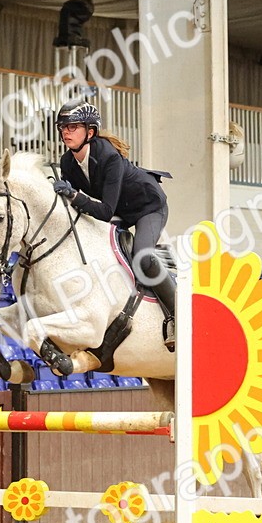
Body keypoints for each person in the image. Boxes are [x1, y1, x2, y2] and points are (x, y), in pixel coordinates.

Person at [51, 101, 176, 350]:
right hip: (120, 210)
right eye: (63, 127)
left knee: (142, 256)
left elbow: (105, 211)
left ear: (90, 132)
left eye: (73, 127)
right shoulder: (67, 162)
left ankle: (177, 314)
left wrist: (74, 196)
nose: (66, 132)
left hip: (147, 207)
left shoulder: (108, 156)